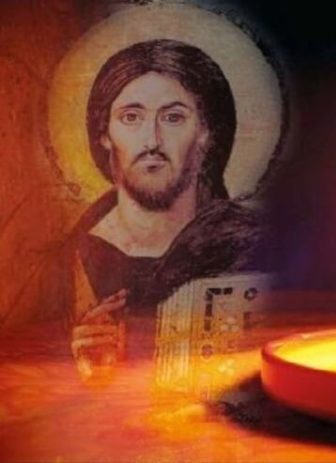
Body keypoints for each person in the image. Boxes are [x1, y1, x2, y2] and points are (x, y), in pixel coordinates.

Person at [68, 39, 266, 378]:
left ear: (206, 133)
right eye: (131, 117)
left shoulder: (246, 244)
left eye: (173, 118)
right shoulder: (69, 261)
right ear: (104, 134)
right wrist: (87, 367)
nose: (152, 141)